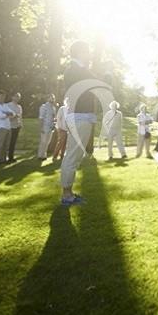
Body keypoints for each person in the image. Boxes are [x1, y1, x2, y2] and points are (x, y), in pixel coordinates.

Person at [60, 41, 98, 206]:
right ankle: (67, 195)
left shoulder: (79, 70)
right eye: (87, 51)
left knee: (74, 155)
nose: (89, 54)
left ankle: (68, 193)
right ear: (80, 52)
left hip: (82, 116)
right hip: (79, 117)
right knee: (72, 156)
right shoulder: (74, 70)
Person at [0, 90, 14, 165]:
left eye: (4, 96)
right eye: (1, 96)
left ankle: (2, 159)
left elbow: (13, 114)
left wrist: (6, 113)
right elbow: (0, 116)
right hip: (0, 127)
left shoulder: (5, 105)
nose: (3, 98)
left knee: (6, 145)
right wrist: (7, 114)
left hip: (8, 127)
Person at [37, 94, 56, 160]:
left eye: (53, 98)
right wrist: (41, 127)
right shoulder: (44, 106)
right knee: (43, 141)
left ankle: (44, 155)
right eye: (51, 98)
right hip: (45, 127)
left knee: (48, 142)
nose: (53, 99)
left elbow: (53, 118)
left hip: (51, 127)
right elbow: (41, 118)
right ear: (48, 98)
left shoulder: (53, 108)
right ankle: (40, 155)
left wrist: (54, 125)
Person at [6, 92, 23, 163]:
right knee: (8, 142)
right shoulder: (8, 105)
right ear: (12, 97)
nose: (17, 98)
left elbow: (20, 117)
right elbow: (7, 117)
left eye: (19, 97)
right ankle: (5, 157)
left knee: (13, 142)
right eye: (16, 96)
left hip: (17, 126)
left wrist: (21, 124)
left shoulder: (19, 107)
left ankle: (11, 157)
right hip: (10, 126)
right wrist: (14, 116)